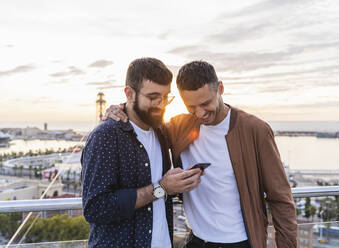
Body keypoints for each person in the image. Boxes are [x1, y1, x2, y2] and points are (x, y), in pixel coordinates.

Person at [106, 60, 298, 248]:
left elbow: (280, 197)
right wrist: (122, 107)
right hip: (196, 240)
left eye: (205, 103)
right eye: (191, 107)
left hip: (240, 243)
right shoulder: (180, 127)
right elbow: (144, 119)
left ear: (220, 88)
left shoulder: (255, 130)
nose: (199, 113)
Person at [81, 57, 202, 248]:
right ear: (129, 93)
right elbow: (96, 208)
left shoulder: (161, 130)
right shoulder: (105, 136)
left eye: (165, 97)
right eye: (153, 97)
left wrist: (181, 183)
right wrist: (161, 188)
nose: (161, 105)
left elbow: (206, 113)